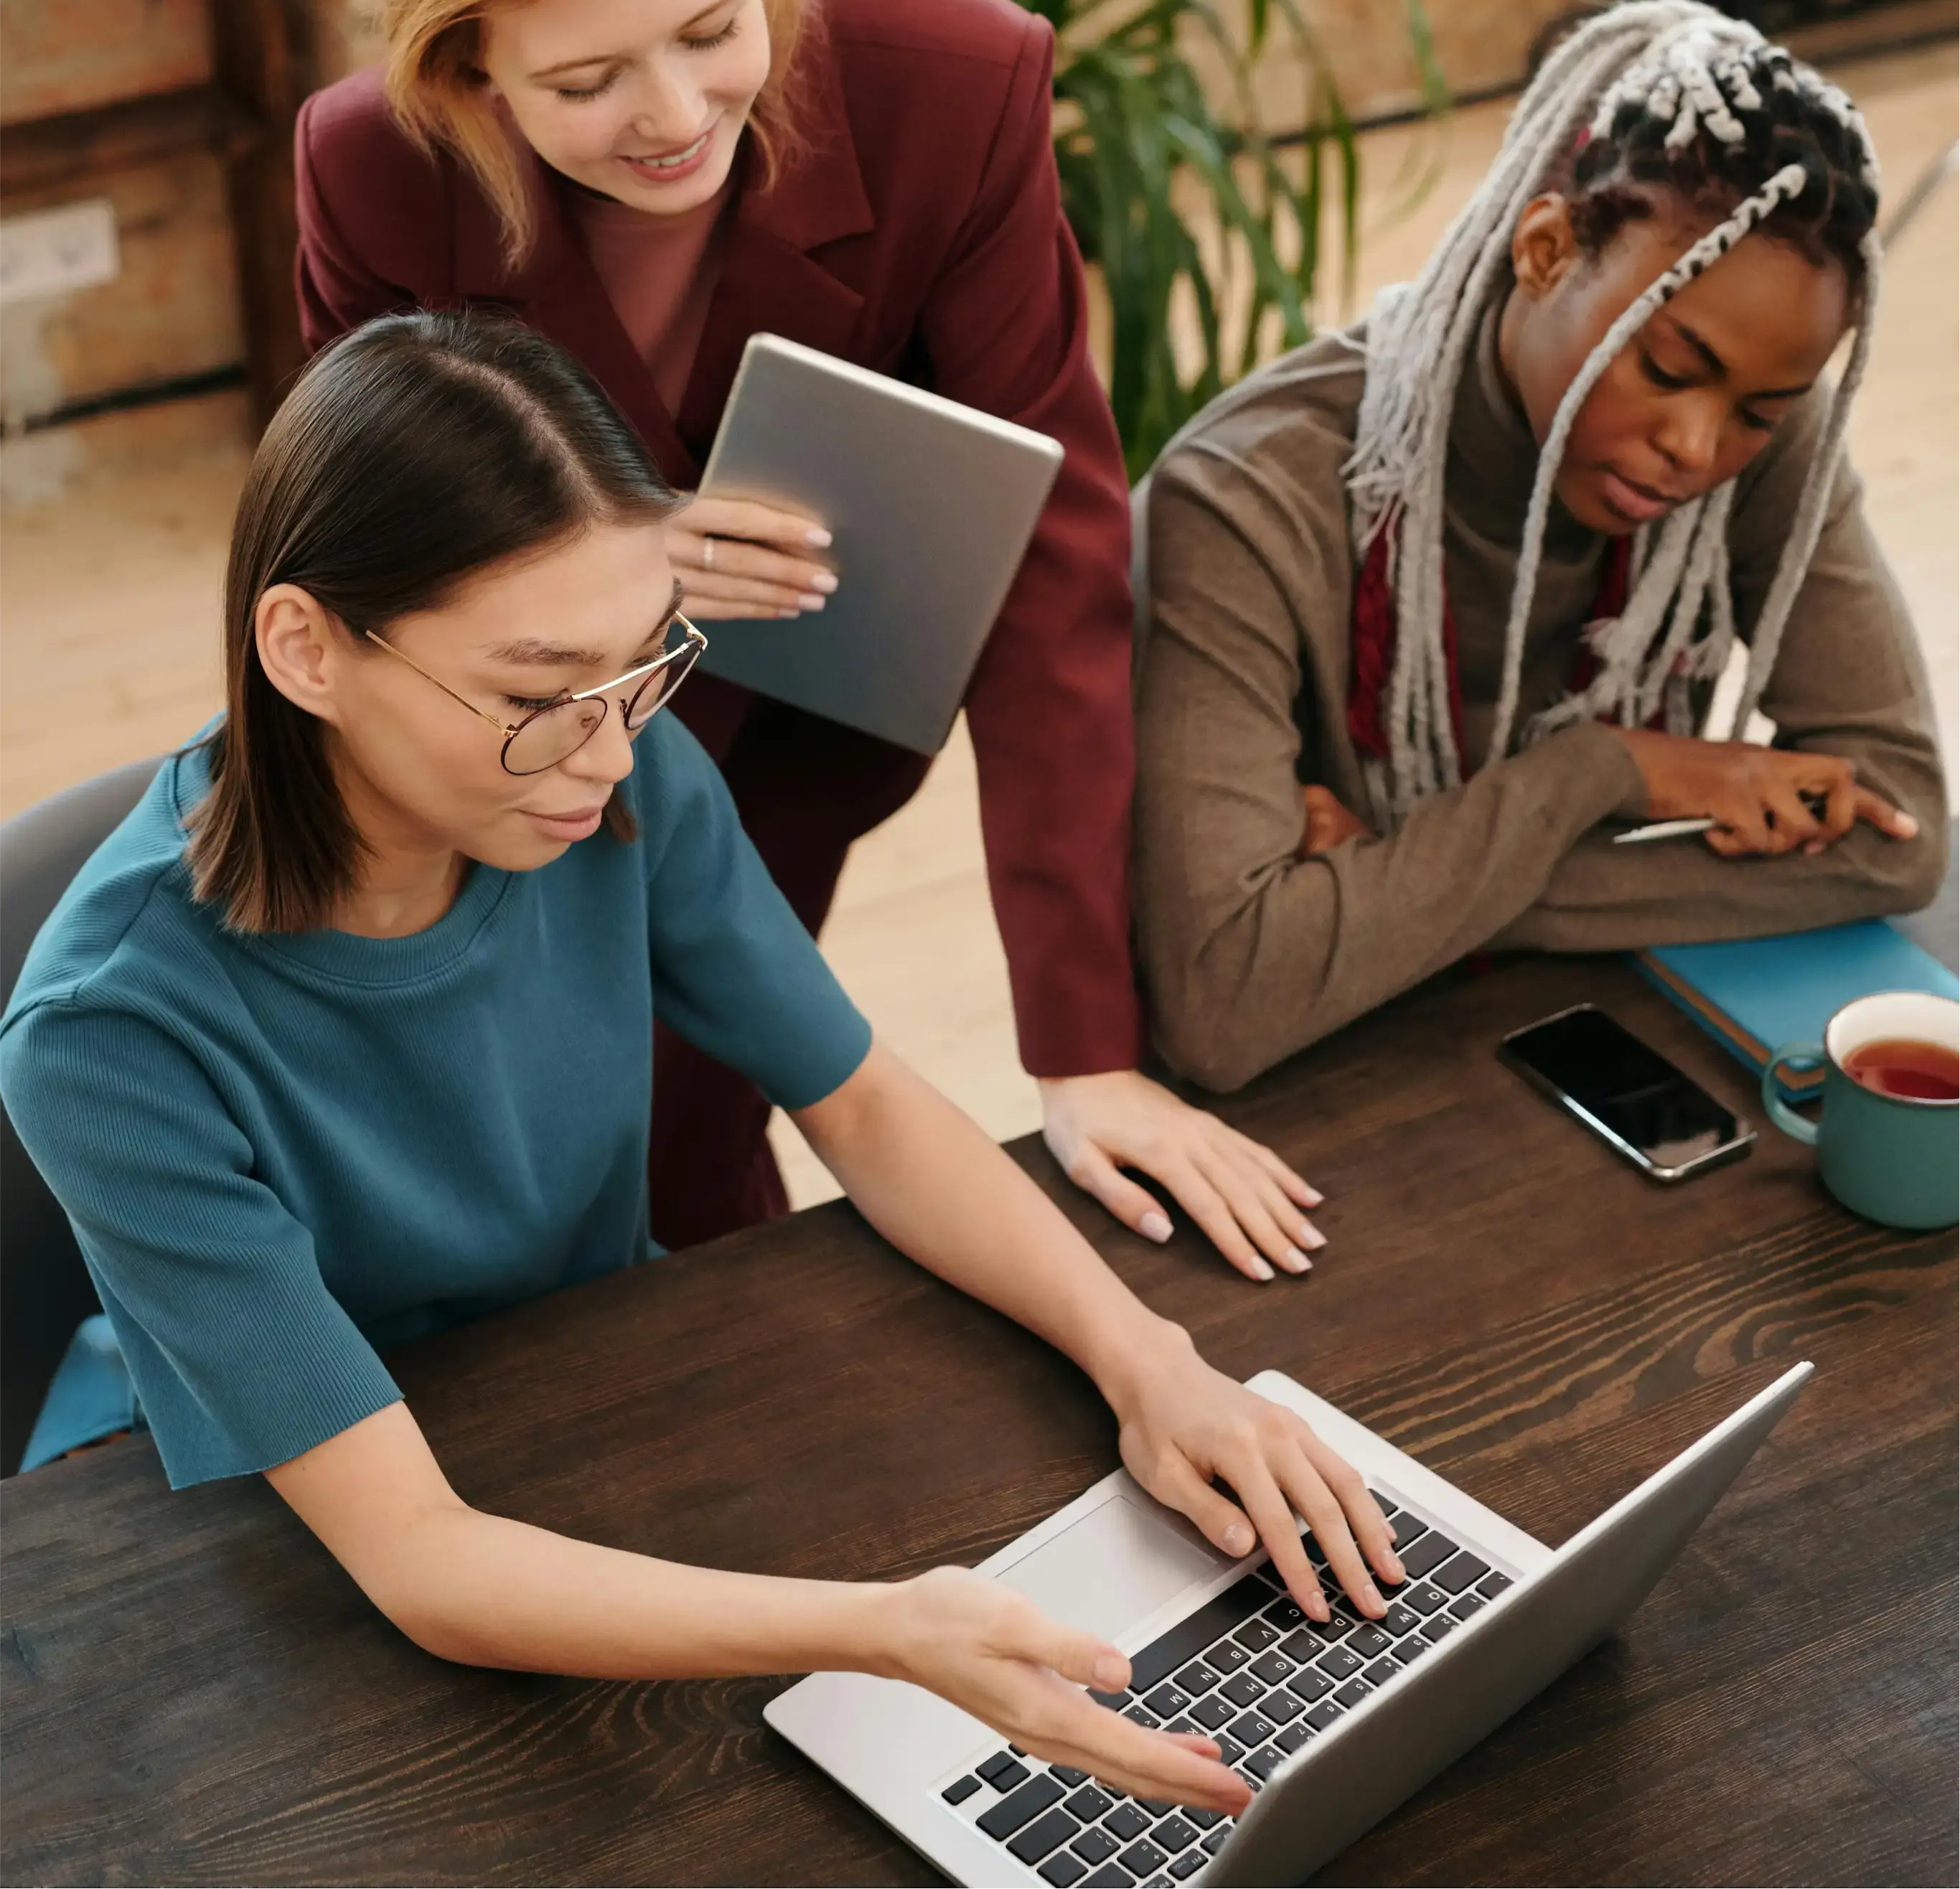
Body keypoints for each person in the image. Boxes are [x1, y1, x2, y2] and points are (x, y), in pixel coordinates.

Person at [0, 313, 1401, 1812]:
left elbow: (859, 1098)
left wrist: (1152, 1361)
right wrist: (885, 1628)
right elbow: (415, 1555)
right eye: (538, 695)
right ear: (306, 648)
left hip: (611, 1395)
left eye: (641, 662)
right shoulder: (107, 1032)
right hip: (328, 1543)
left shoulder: (615, 770)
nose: (608, 751)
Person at [292, 0, 1316, 1284]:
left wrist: (1083, 1047)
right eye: (584, 81)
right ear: (467, 65)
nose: (677, 114)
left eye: (713, 30)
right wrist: (620, 552)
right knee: (504, 1137)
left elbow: (1058, 564)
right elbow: (360, 547)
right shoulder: (369, 167)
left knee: (696, 1110)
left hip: (810, 717)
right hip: (505, 730)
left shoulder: (953, 89)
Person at [1133, 0, 1948, 1095]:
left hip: (1582, 1033)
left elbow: (1897, 832)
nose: (1696, 447)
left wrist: (1390, 870)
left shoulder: (1767, 446)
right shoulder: (1242, 496)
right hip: (1306, 1115)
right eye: (1665, 368)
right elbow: (1226, 998)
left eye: (1757, 411)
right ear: (1546, 248)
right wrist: (1608, 773)